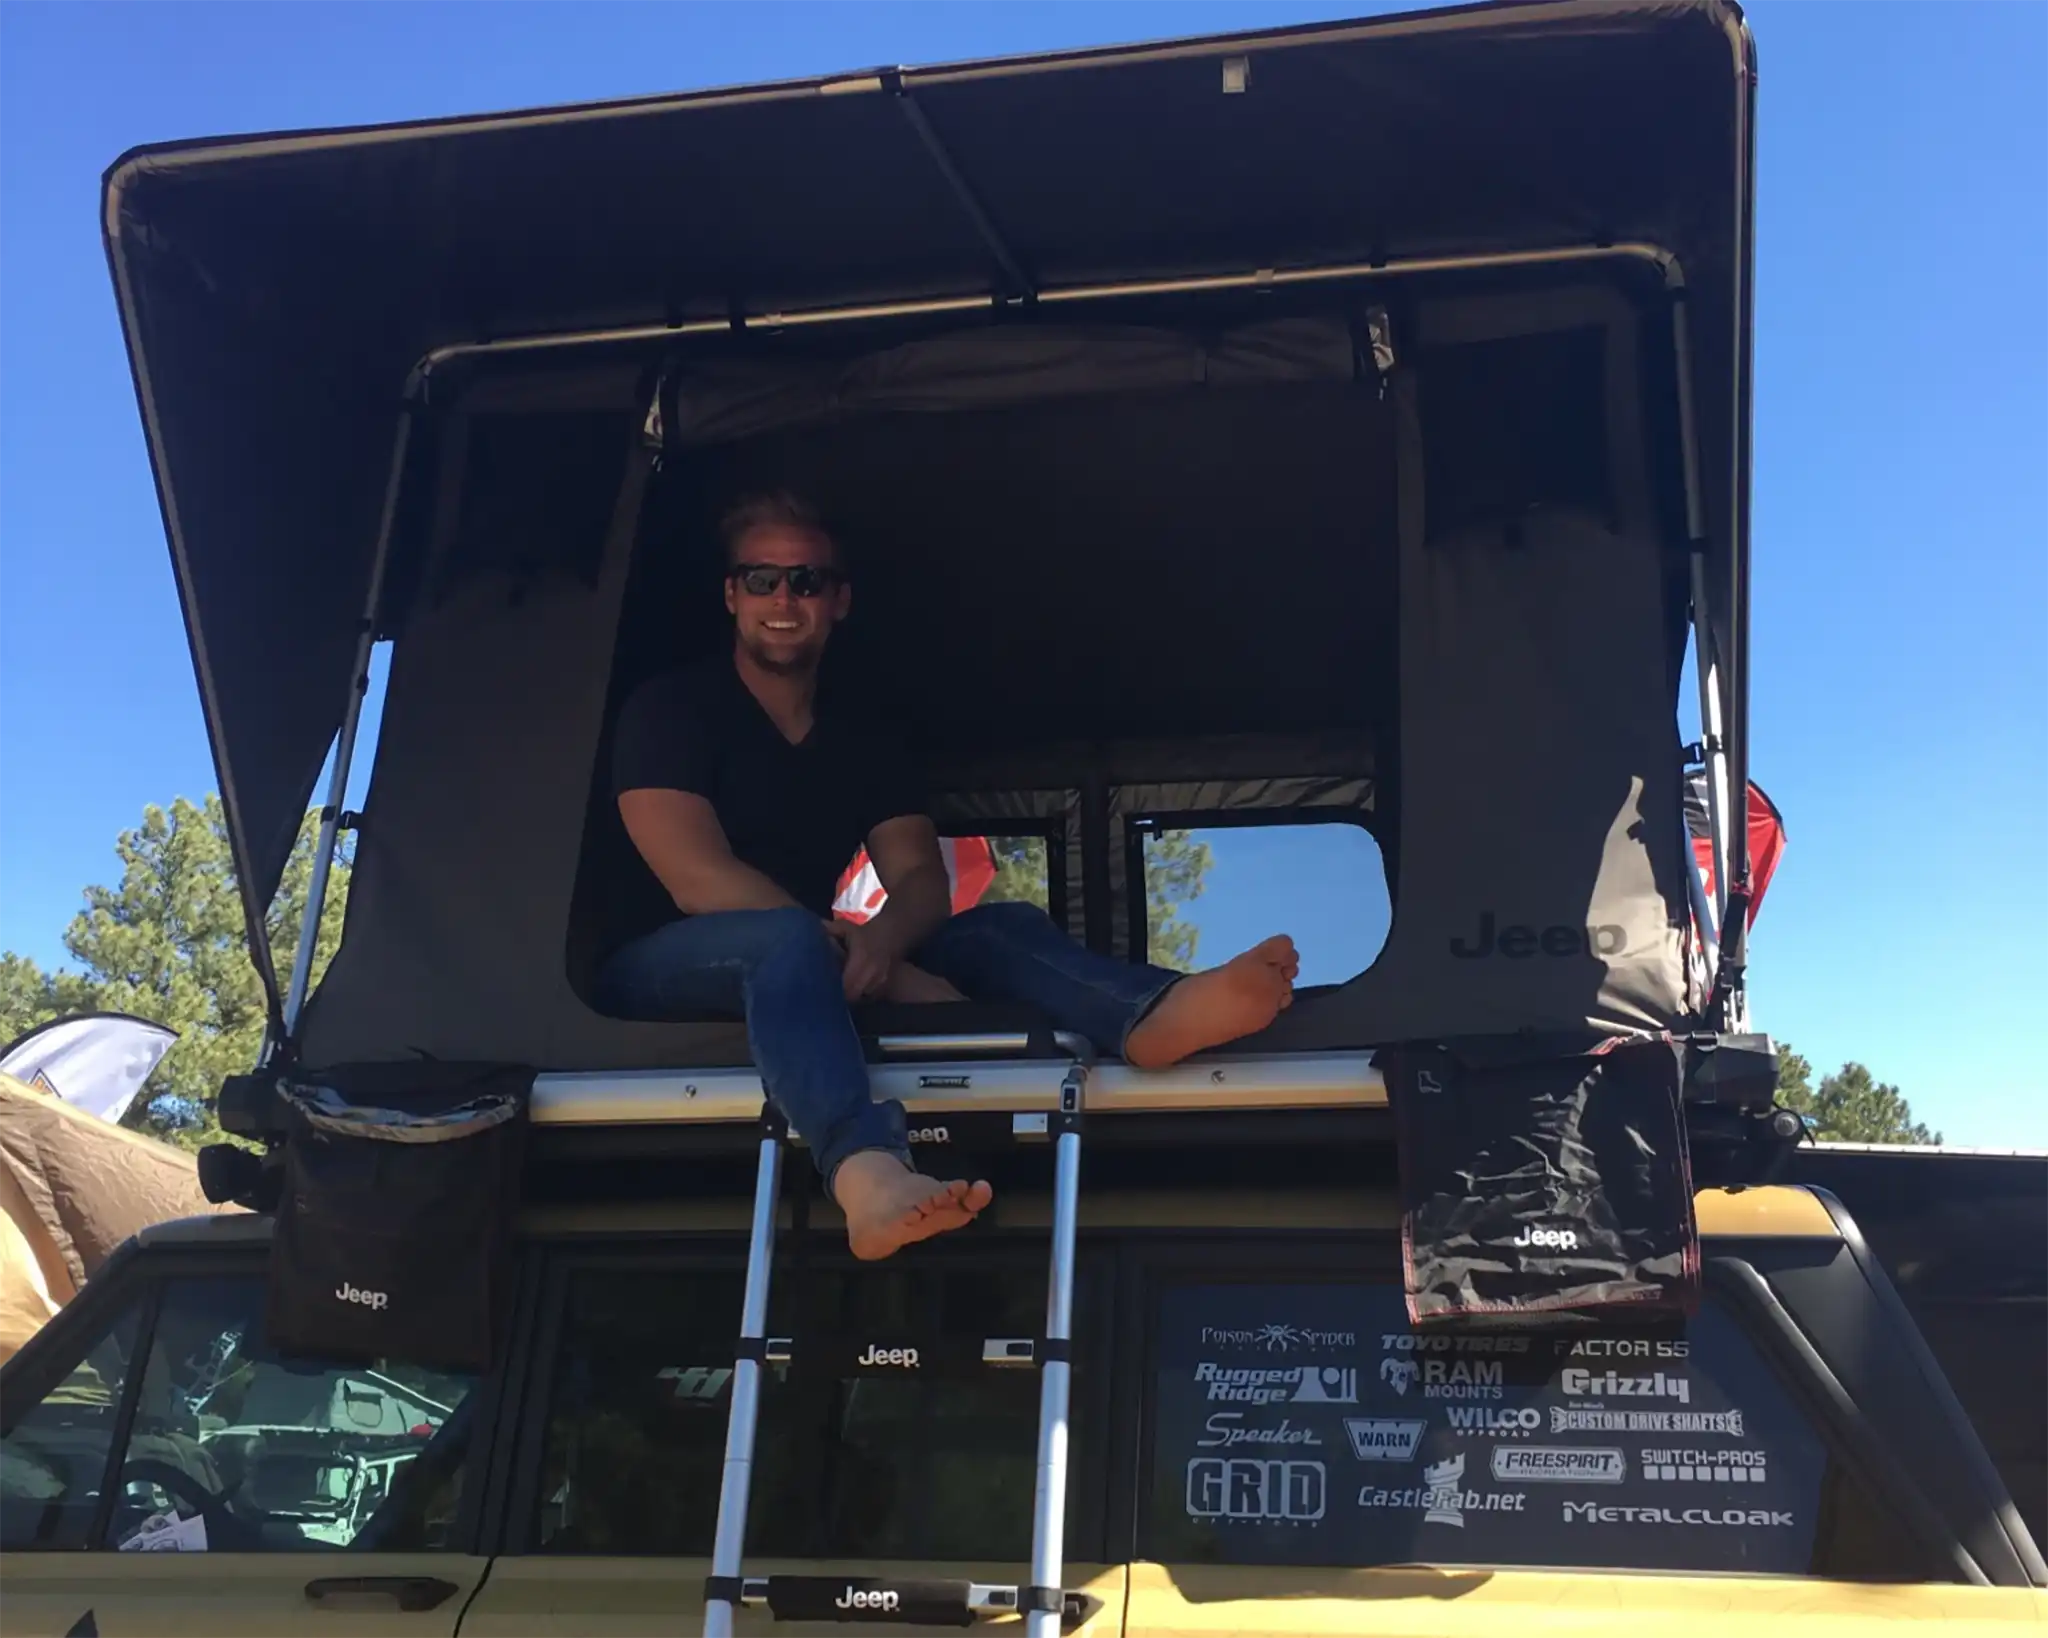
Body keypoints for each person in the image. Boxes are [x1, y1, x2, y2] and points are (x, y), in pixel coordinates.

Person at [596, 494, 1299, 1260]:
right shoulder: (672, 708)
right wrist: (874, 970)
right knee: (783, 940)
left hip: (809, 953)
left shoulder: (864, 734)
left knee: (995, 926)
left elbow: (919, 878)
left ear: (839, 600)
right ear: (731, 595)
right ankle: (864, 1171)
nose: (783, 600)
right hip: (663, 962)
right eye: (761, 579)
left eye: (805, 580)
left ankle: (1148, 1014)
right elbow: (696, 877)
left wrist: (887, 944)